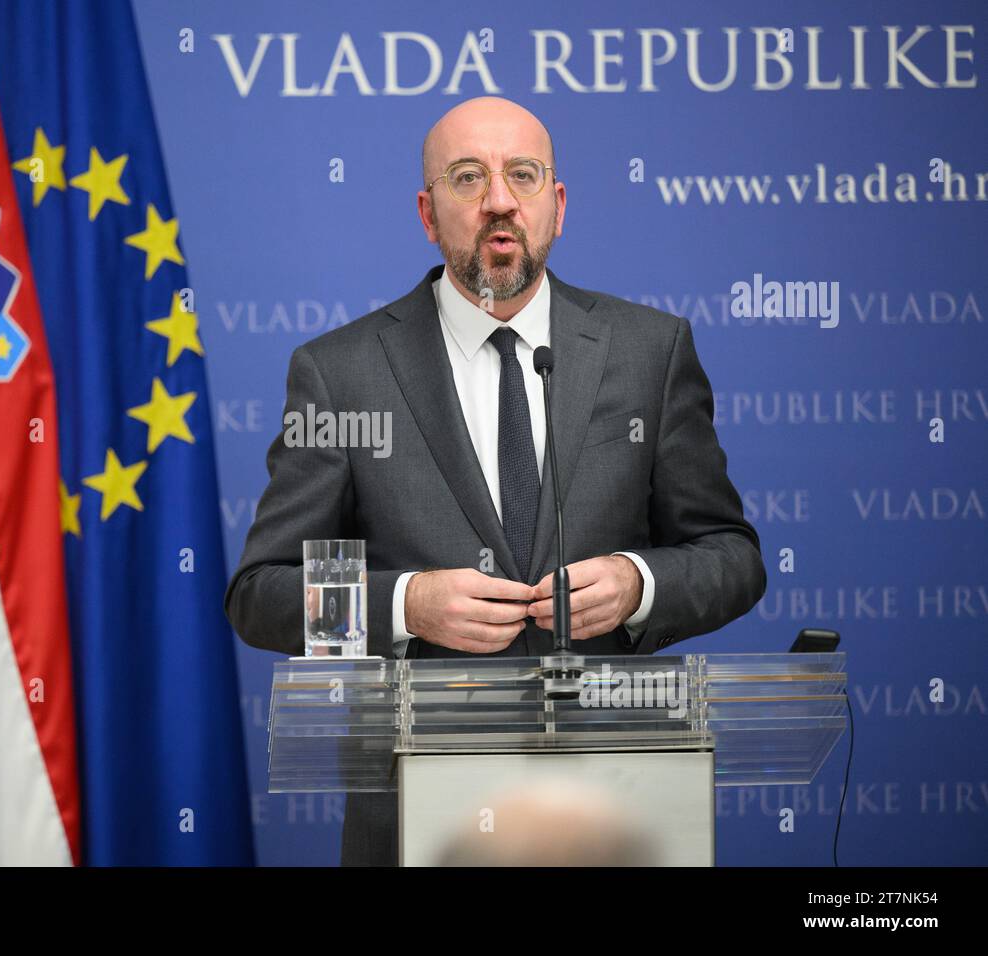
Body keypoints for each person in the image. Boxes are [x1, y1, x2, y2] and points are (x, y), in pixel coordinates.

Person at [224, 95, 766, 866]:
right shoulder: (341, 373)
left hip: (612, 808)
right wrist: (407, 603)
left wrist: (637, 582)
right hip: (420, 817)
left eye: (523, 175)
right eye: (469, 177)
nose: (500, 201)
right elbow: (263, 592)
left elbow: (731, 557)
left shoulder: (651, 351)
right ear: (427, 211)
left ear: (559, 204)